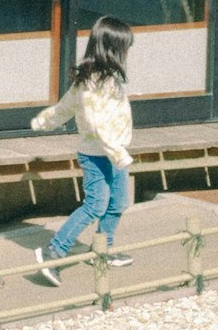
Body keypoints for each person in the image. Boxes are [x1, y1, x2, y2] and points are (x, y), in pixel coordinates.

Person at [27, 17, 137, 285]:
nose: (127, 54)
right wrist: (120, 155)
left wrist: (44, 120)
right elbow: (98, 125)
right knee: (95, 205)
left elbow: (64, 109)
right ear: (113, 50)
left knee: (117, 203)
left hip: (114, 153)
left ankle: (103, 249)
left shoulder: (105, 80)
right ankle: (55, 251)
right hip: (99, 155)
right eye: (125, 48)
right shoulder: (91, 86)